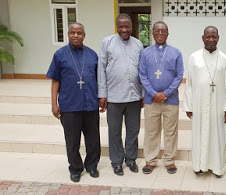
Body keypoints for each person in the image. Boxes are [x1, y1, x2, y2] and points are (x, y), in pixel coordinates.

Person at [46, 23, 100, 182]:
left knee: (93, 139)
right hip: (69, 106)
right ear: (68, 35)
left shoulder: (92, 55)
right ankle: (76, 168)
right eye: (73, 33)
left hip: (90, 104)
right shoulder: (60, 55)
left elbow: (99, 80)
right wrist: (54, 103)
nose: (76, 35)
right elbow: (55, 81)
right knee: (72, 140)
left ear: (84, 35)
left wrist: (102, 98)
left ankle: (92, 165)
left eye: (79, 33)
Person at [183, 26, 226, 177]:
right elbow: (189, 83)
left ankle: (218, 168)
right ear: (202, 38)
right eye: (208, 37)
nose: (211, 40)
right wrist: (188, 105)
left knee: (218, 136)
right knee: (200, 135)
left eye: (214, 37)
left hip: (218, 106)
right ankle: (199, 166)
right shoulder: (194, 57)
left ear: (218, 38)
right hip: (199, 105)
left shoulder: (225, 59)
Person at [97, 13, 143, 176]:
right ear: (117, 26)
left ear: (132, 27)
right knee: (114, 131)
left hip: (134, 97)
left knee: (133, 130)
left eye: (127, 26)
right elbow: (101, 69)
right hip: (114, 97)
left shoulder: (138, 44)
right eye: (121, 26)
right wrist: (102, 94)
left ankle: (130, 159)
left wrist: (143, 93)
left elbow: (142, 71)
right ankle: (116, 161)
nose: (124, 29)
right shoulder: (107, 42)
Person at [139, 21, 184, 174]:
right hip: (152, 101)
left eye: (163, 30)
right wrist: (153, 93)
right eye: (157, 30)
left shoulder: (176, 52)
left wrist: (166, 93)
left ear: (167, 33)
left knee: (170, 132)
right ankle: (150, 161)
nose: (160, 33)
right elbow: (142, 75)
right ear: (152, 33)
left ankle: (169, 161)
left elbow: (179, 76)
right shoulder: (145, 53)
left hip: (171, 100)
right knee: (151, 132)